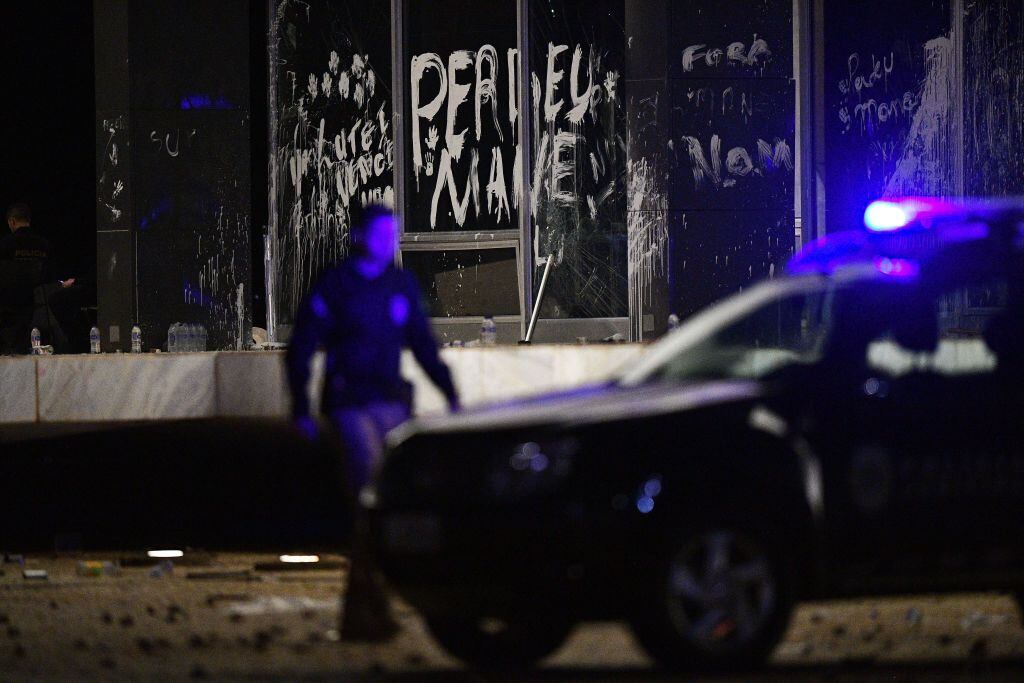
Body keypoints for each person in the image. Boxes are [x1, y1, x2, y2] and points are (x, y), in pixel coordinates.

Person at [286, 203, 459, 641]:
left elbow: (422, 344)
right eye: (382, 235)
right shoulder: (336, 284)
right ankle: (367, 608)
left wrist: (450, 392)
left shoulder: (400, 284)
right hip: (350, 405)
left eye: (393, 235)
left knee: (389, 502)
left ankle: (368, 607)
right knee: (368, 495)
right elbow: (302, 346)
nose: (390, 243)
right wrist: (302, 409)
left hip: (392, 404)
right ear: (358, 236)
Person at [0, 203, 75, 354]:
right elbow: (52, 277)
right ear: (29, 220)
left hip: (11, 314)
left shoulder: (6, 245)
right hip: (41, 311)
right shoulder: (44, 245)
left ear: (12, 221)